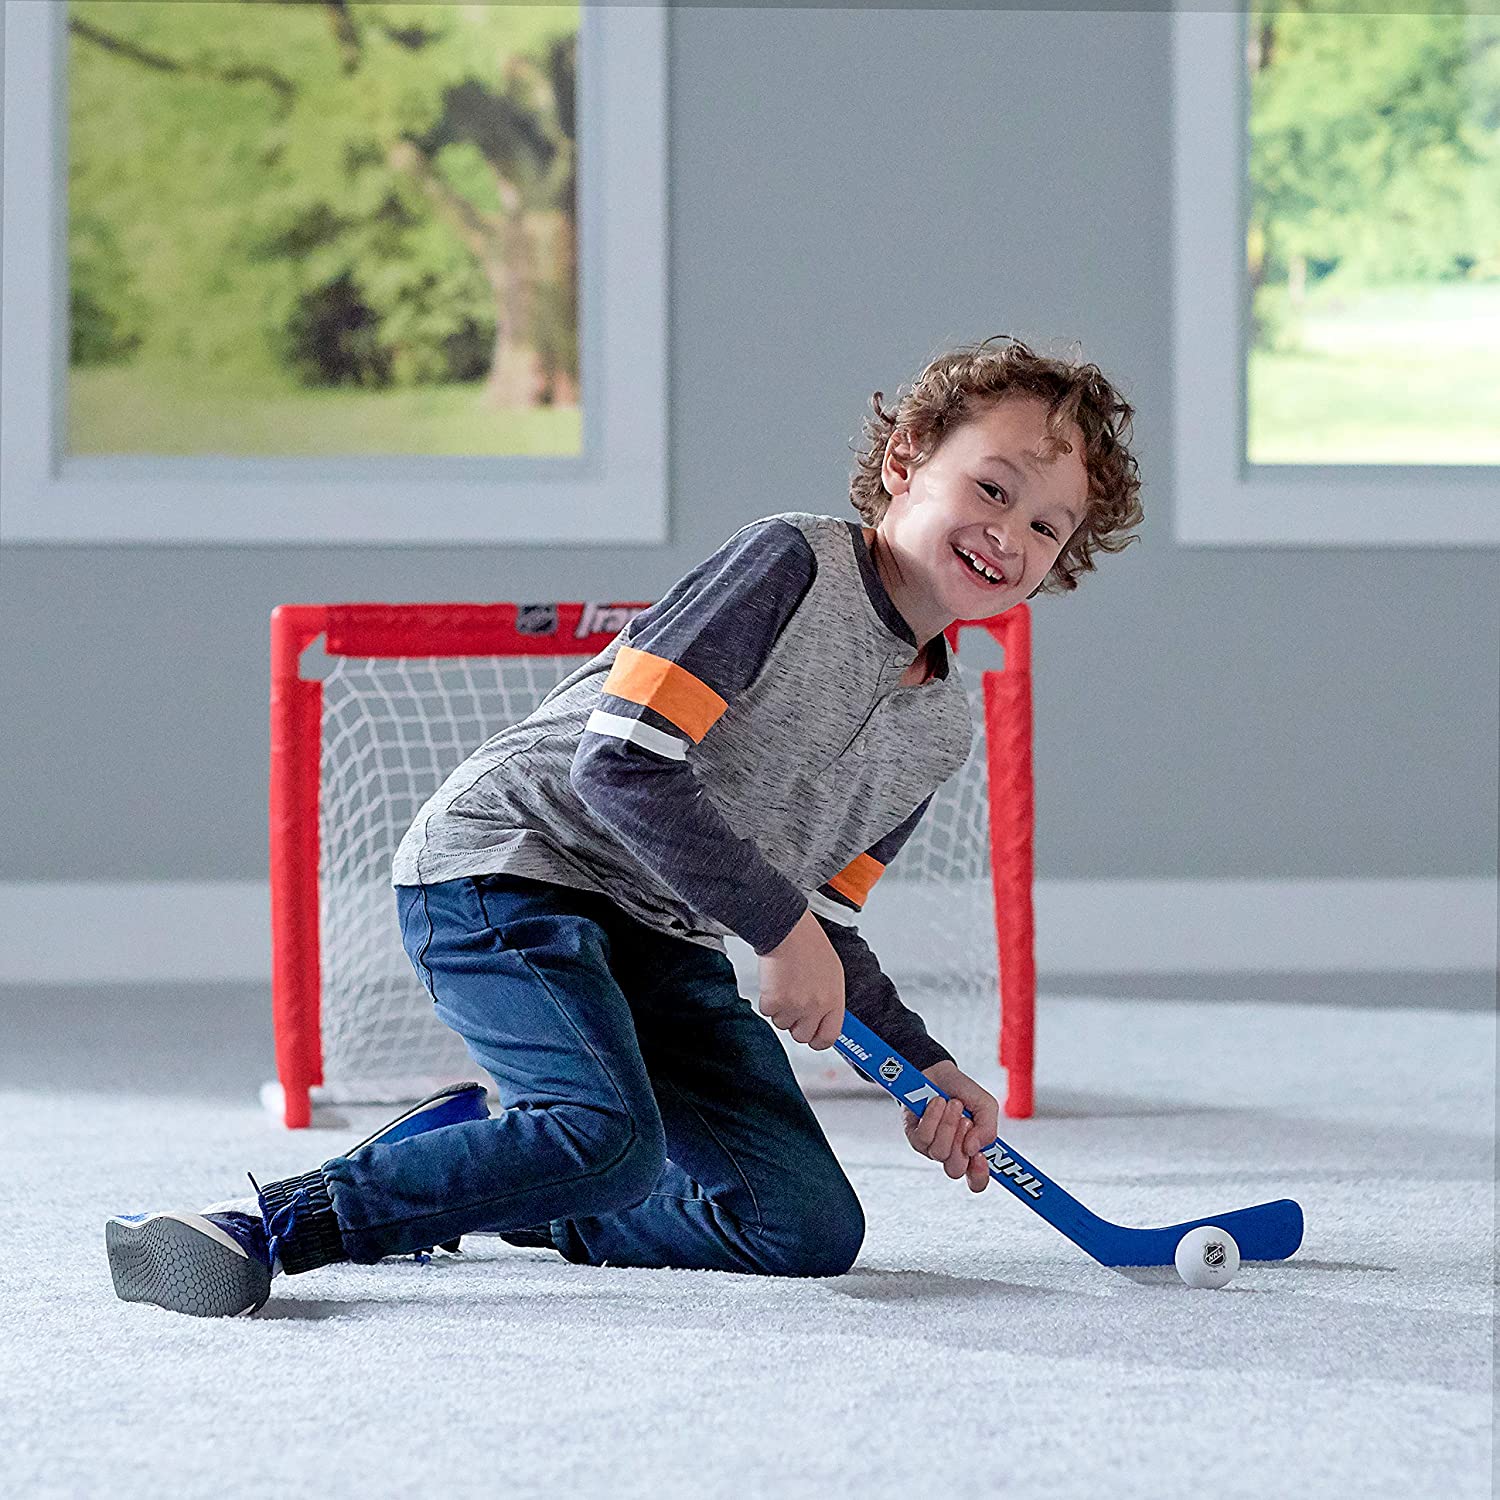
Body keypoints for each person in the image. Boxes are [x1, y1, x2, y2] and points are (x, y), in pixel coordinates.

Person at [106, 333, 1144, 1317]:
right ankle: (269, 1224)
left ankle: (496, 1174)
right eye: (993, 488)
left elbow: (826, 929)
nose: (1010, 534)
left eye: (1046, 527)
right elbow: (619, 766)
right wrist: (781, 930)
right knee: (605, 1135)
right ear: (906, 460)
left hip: (662, 930)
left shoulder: (941, 729)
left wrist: (928, 1068)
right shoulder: (790, 564)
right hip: (511, 867)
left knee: (802, 1225)